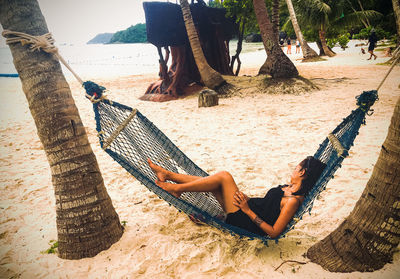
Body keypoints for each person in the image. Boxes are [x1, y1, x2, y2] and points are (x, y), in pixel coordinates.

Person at [148, 156, 326, 238]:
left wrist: (248, 210)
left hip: (244, 221)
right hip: (246, 207)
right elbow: (267, 205)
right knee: (213, 182)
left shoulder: (293, 201)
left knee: (224, 176)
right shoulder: (288, 188)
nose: (293, 170)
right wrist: (247, 199)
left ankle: (177, 189)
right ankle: (168, 176)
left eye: (296, 168)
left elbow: (273, 233)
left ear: (302, 172)